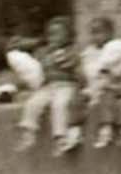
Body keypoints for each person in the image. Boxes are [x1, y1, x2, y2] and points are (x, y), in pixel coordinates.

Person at [16, 15, 83, 154]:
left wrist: (63, 58)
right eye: (51, 34)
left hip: (65, 85)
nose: (53, 37)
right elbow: (39, 68)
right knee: (33, 103)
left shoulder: (72, 51)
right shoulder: (44, 52)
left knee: (59, 105)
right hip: (48, 86)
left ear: (68, 36)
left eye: (58, 34)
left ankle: (60, 137)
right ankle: (29, 131)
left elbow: (73, 66)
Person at [81, 15, 121, 149]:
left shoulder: (116, 47)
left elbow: (111, 68)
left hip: (117, 84)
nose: (95, 37)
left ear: (110, 32)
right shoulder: (90, 51)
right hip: (98, 85)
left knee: (106, 98)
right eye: (92, 33)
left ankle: (107, 129)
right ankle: (75, 131)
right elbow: (90, 71)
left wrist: (104, 74)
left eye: (99, 32)